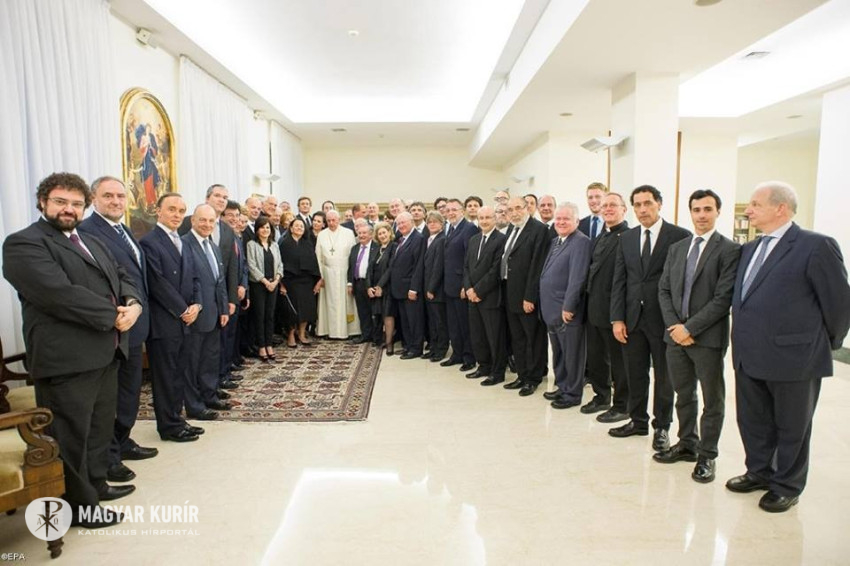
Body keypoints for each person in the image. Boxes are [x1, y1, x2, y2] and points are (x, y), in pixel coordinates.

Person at [3, 172, 143, 527]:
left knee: (97, 431)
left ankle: (96, 487)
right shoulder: (23, 243)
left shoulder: (91, 241)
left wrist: (134, 304)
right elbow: (58, 294)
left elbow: (122, 276)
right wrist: (115, 316)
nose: (69, 209)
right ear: (42, 202)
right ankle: (78, 507)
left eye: (76, 203)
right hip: (66, 360)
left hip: (105, 353)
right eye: (60, 202)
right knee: (70, 437)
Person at [726, 181, 850, 512]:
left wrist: (825, 343)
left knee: (792, 426)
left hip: (795, 357)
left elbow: (839, 304)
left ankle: (787, 485)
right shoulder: (750, 248)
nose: (748, 210)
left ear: (780, 208)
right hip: (749, 355)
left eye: (756, 204)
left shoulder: (816, 246)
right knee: (753, 421)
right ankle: (759, 472)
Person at [656, 189, 741, 483]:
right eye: (696, 209)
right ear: (690, 212)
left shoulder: (729, 250)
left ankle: (708, 455)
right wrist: (675, 327)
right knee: (683, 394)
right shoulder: (678, 248)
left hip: (707, 339)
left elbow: (722, 298)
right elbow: (664, 290)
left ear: (718, 212)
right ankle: (687, 444)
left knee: (712, 400)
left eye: (707, 209)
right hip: (674, 338)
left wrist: (690, 328)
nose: (701, 215)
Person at [78, 176, 157, 485]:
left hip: (134, 325)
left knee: (129, 390)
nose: (115, 201)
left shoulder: (123, 230)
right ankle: (109, 456)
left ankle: (123, 441)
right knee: (109, 399)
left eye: (120, 196)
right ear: (93, 199)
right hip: (113, 327)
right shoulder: (87, 231)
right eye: (108, 195)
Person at [609, 185, 691, 451]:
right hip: (632, 318)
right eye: (637, 205)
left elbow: (684, 283)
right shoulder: (627, 238)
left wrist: (680, 321)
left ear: (659, 204)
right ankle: (638, 421)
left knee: (665, 377)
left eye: (647, 203)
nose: (642, 209)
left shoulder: (679, 236)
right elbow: (620, 280)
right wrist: (617, 318)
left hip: (665, 320)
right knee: (635, 373)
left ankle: (662, 427)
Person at [140, 193, 204, 444]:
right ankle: (168, 426)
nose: (177, 215)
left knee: (179, 373)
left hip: (187, 321)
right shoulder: (149, 242)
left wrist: (197, 305)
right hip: (165, 322)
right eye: (172, 209)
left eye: (181, 211)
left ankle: (177, 419)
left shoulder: (183, 241)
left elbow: (195, 277)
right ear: (159, 211)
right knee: (166, 377)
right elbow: (157, 283)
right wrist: (183, 310)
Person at [182, 204, 231, 421]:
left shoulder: (213, 246)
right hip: (195, 315)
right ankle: (194, 406)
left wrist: (223, 308)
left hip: (214, 313)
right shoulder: (184, 244)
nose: (207, 224)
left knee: (210, 359)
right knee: (192, 363)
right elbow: (187, 282)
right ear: (193, 220)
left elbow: (219, 281)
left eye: (211, 221)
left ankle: (209, 396)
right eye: (202, 220)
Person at [539, 203, 591, 408]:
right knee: (559, 353)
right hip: (551, 309)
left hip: (566, 310)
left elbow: (577, 277)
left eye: (566, 219)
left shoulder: (581, 242)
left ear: (576, 221)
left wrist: (569, 306)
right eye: (558, 219)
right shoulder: (555, 241)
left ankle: (573, 394)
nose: (560, 222)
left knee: (572, 355)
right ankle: (562, 386)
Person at [584, 193, 630, 421]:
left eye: (613, 205)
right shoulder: (601, 236)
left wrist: (619, 315)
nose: (608, 209)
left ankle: (622, 405)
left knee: (619, 362)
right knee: (596, 357)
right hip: (594, 308)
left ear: (624, 209)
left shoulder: (629, 238)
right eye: (604, 206)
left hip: (615, 310)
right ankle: (601, 396)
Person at [501, 197, 550, 397]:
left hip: (527, 296)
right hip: (510, 292)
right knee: (518, 338)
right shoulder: (512, 229)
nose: (514, 212)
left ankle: (533, 378)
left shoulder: (539, 230)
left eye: (518, 208)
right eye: (510, 209)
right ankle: (522, 375)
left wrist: (530, 296)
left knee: (533, 339)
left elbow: (537, 265)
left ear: (527, 208)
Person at [463, 206, 507, 385]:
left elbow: (495, 270)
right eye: (481, 218)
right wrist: (468, 288)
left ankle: (497, 372)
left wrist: (478, 291)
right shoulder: (474, 239)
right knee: (478, 335)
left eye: (488, 217)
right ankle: (483, 366)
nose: (484, 221)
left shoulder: (501, 239)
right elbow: (466, 266)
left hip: (490, 297)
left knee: (494, 337)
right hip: (472, 297)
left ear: (495, 219)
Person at [380, 212, 425, 358]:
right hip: (398, 289)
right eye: (399, 223)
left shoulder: (418, 239)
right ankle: (408, 346)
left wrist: (414, 288)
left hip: (410, 288)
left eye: (404, 222)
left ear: (411, 222)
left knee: (414, 320)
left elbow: (418, 266)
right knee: (405, 321)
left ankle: (416, 348)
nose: (401, 226)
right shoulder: (400, 239)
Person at [441, 198, 479, 371]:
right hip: (449, 284)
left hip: (461, 285)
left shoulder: (469, 228)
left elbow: (469, 259)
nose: (451, 213)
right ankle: (457, 354)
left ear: (462, 211)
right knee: (453, 324)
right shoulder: (450, 228)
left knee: (465, 324)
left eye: (454, 210)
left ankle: (469, 357)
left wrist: (466, 284)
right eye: (448, 210)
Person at [315, 210, 359, 338]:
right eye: (328, 220)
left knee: (346, 301)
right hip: (327, 273)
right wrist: (321, 276)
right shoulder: (322, 234)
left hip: (344, 272)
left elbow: (353, 255)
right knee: (328, 303)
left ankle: (348, 331)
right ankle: (328, 331)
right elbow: (318, 257)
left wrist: (351, 277)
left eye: (333, 220)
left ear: (339, 220)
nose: (331, 223)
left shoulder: (348, 233)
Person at [279, 217, 321, 347]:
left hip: (306, 281)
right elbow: (279, 264)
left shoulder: (307, 244)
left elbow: (314, 263)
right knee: (291, 310)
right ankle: (291, 334)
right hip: (290, 281)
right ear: (291, 228)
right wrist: (281, 284)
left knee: (306, 309)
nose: (299, 228)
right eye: (296, 226)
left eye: (302, 226)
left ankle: (302, 333)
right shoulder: (284, 244)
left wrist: (317, 281)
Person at [247, 216, 283, 361]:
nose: (265, 230)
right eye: (262, 227)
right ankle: (261, 346)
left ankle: (269, 345)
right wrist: (265, 282)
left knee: (270, 316)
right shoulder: (251, 244)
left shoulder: (274, 245)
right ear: (257, 229)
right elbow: (251, 266)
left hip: (273, 285)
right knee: (260, 316)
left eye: (268, 227)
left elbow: (280, 264)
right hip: (258, 285)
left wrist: (276, 280)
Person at [368, 222, 398, 352]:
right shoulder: (376, 249)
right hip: (375, 287)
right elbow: (369, 269)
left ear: (389, 233)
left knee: (388, 314)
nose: (382, 235)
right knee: (378, 314)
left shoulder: (394, 247)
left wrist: (380, 286)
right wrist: (369, 287)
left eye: (384, 232)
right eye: (379, 233)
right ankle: (380, 339)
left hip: (388, 287)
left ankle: (389, 343)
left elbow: (391, 268)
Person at [422, 211, 448, 361]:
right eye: (429, 222)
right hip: (427, 287)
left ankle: (441, 349)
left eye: (435, 222)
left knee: (440, 322)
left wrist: (431, 288)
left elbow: (439, 266)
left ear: (441, 224)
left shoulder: (442, 239)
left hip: (437, 290)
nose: (432, 224)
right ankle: (433, 347)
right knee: (432, 321)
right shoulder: (429, 239)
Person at [348, 223, 378, 344]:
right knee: (362, 311)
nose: (361, 235)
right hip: (357, 283)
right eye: (359, 233)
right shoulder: (354, 248)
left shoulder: (376, 247)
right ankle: (366, 335)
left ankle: (376, 336)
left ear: (371, 234)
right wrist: (350, 283)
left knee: (374, 311)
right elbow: (350, 267)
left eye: (364, 233)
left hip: (371, 284)